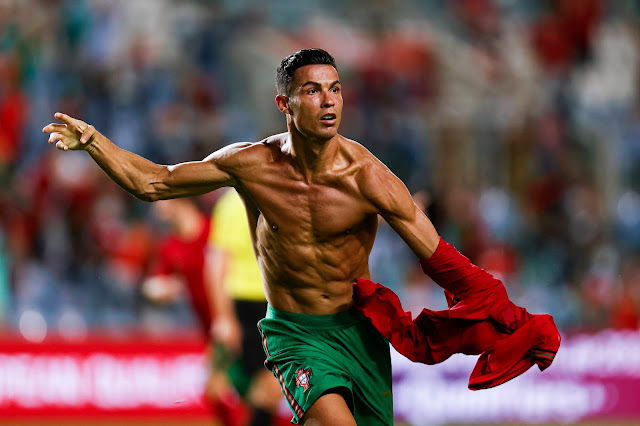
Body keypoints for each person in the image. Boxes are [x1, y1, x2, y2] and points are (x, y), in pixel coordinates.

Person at [43, 48, 557, 425]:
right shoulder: (250, 165)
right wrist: (95, 143)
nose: (328, 100)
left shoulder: (368, 177)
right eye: (312, 90)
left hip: (360, 334)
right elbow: (155, 181)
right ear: (284, 104)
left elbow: (440, 258)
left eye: (335, 89)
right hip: (294, 334)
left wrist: (503, 312)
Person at [139, 198, 249, 426]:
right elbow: (154, 283)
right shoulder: (171, 246)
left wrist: (227, 318)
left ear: (179, 198)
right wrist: (158, 289)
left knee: (224, 387)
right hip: (212, 328)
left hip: (236, 319)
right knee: (238, 390)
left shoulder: (215, 229)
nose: (156, 207)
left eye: (160, 199)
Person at [207, 188, 286, 426]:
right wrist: (223, 317)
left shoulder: (275, 196)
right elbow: (217, 261)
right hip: (247, 302)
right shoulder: (234, 203)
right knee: (268, 385)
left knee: (269, 385)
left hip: (274, 303)